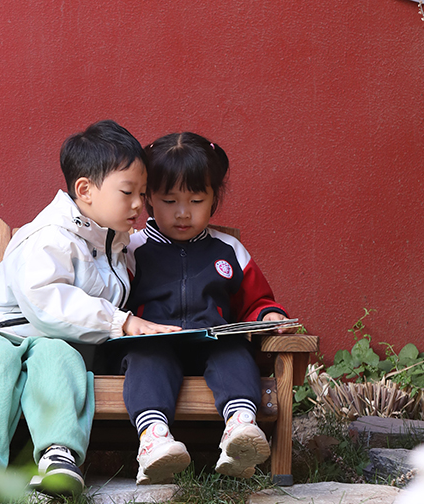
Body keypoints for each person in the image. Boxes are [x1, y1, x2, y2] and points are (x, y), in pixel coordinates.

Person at [0, 120, 177, 503]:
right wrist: (121, 322)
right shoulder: (48, 236)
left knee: (61, 355)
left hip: (47, 341)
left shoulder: (114, 244)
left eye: (144, 194)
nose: (138, 205)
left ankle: (58, 456)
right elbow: (47, 301)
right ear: (85, 190)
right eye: (128, 192)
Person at [118, 131, 294, 484]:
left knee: (234, 353)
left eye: (196, 200)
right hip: (154, 344)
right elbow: (112, 301)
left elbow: (255, 299)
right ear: (149, 198)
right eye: (169, 200)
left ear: (214, 200)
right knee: (146, 358)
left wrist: (268, 315)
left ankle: (240, 430)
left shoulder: (227, 250)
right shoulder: (132, 250)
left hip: (212, 343)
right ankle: (153, 440)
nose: (183, 213)